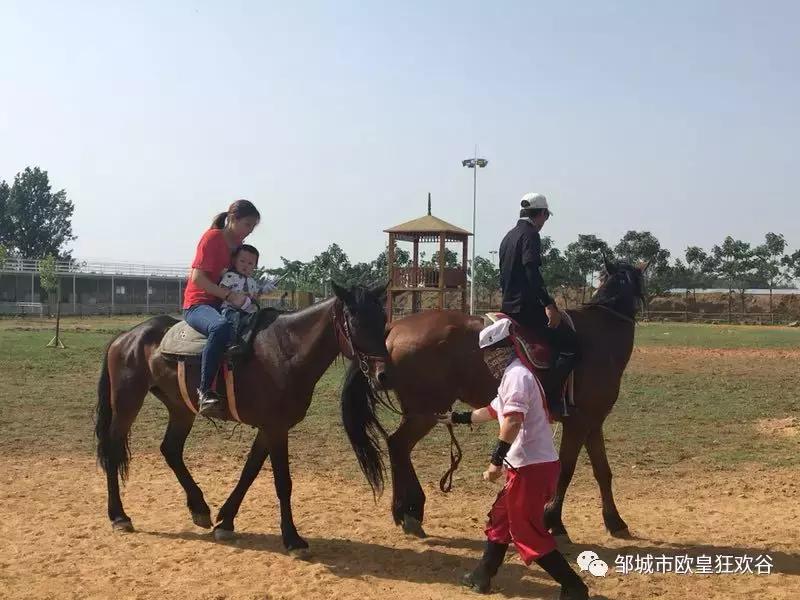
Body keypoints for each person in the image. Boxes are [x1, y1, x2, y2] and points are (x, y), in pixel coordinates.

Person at [440, 319, 588, 599]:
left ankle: (575, 587)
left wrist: (495, 460)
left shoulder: (517, 377)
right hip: (526, 466)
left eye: (489, 354)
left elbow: (513, 421)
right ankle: (482, 575)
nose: (487, 362)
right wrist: (455, 418)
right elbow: (493, 411)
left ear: (501, 351)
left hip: (531, 468)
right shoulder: (513, 376)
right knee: (500, 521)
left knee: (528, 533)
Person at [182, 199, 260, 416]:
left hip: (224, 304)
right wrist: (229, 295)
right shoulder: (212, 238)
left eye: (252, 228)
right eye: (247, 225)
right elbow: (197, 278)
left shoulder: (238, 248)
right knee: (220, 327)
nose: (249, 231)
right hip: (199, 304)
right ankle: (204, 390)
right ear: (232, 219)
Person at [498, 192, 578, 372]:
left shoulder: (508, 236)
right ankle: (553, 396)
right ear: (541, 213)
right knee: (570, 343)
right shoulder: (531, 234)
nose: (545, 220)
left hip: (508, 307)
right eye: (547, 216)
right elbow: (531, 272)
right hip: (526, 310)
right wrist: (548, 303)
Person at [219, 244, 261, 341]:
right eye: (242, 261)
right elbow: (221, 289)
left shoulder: (253, 282)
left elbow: (256, 298)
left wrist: (264, 290)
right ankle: (233, 343)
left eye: (250, 263)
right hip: (230, 310)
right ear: (235, 261)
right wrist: (234, 296)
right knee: (235, 318)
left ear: (255, 266)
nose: (245, 265)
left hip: (247, 312)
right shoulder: (231, 276)